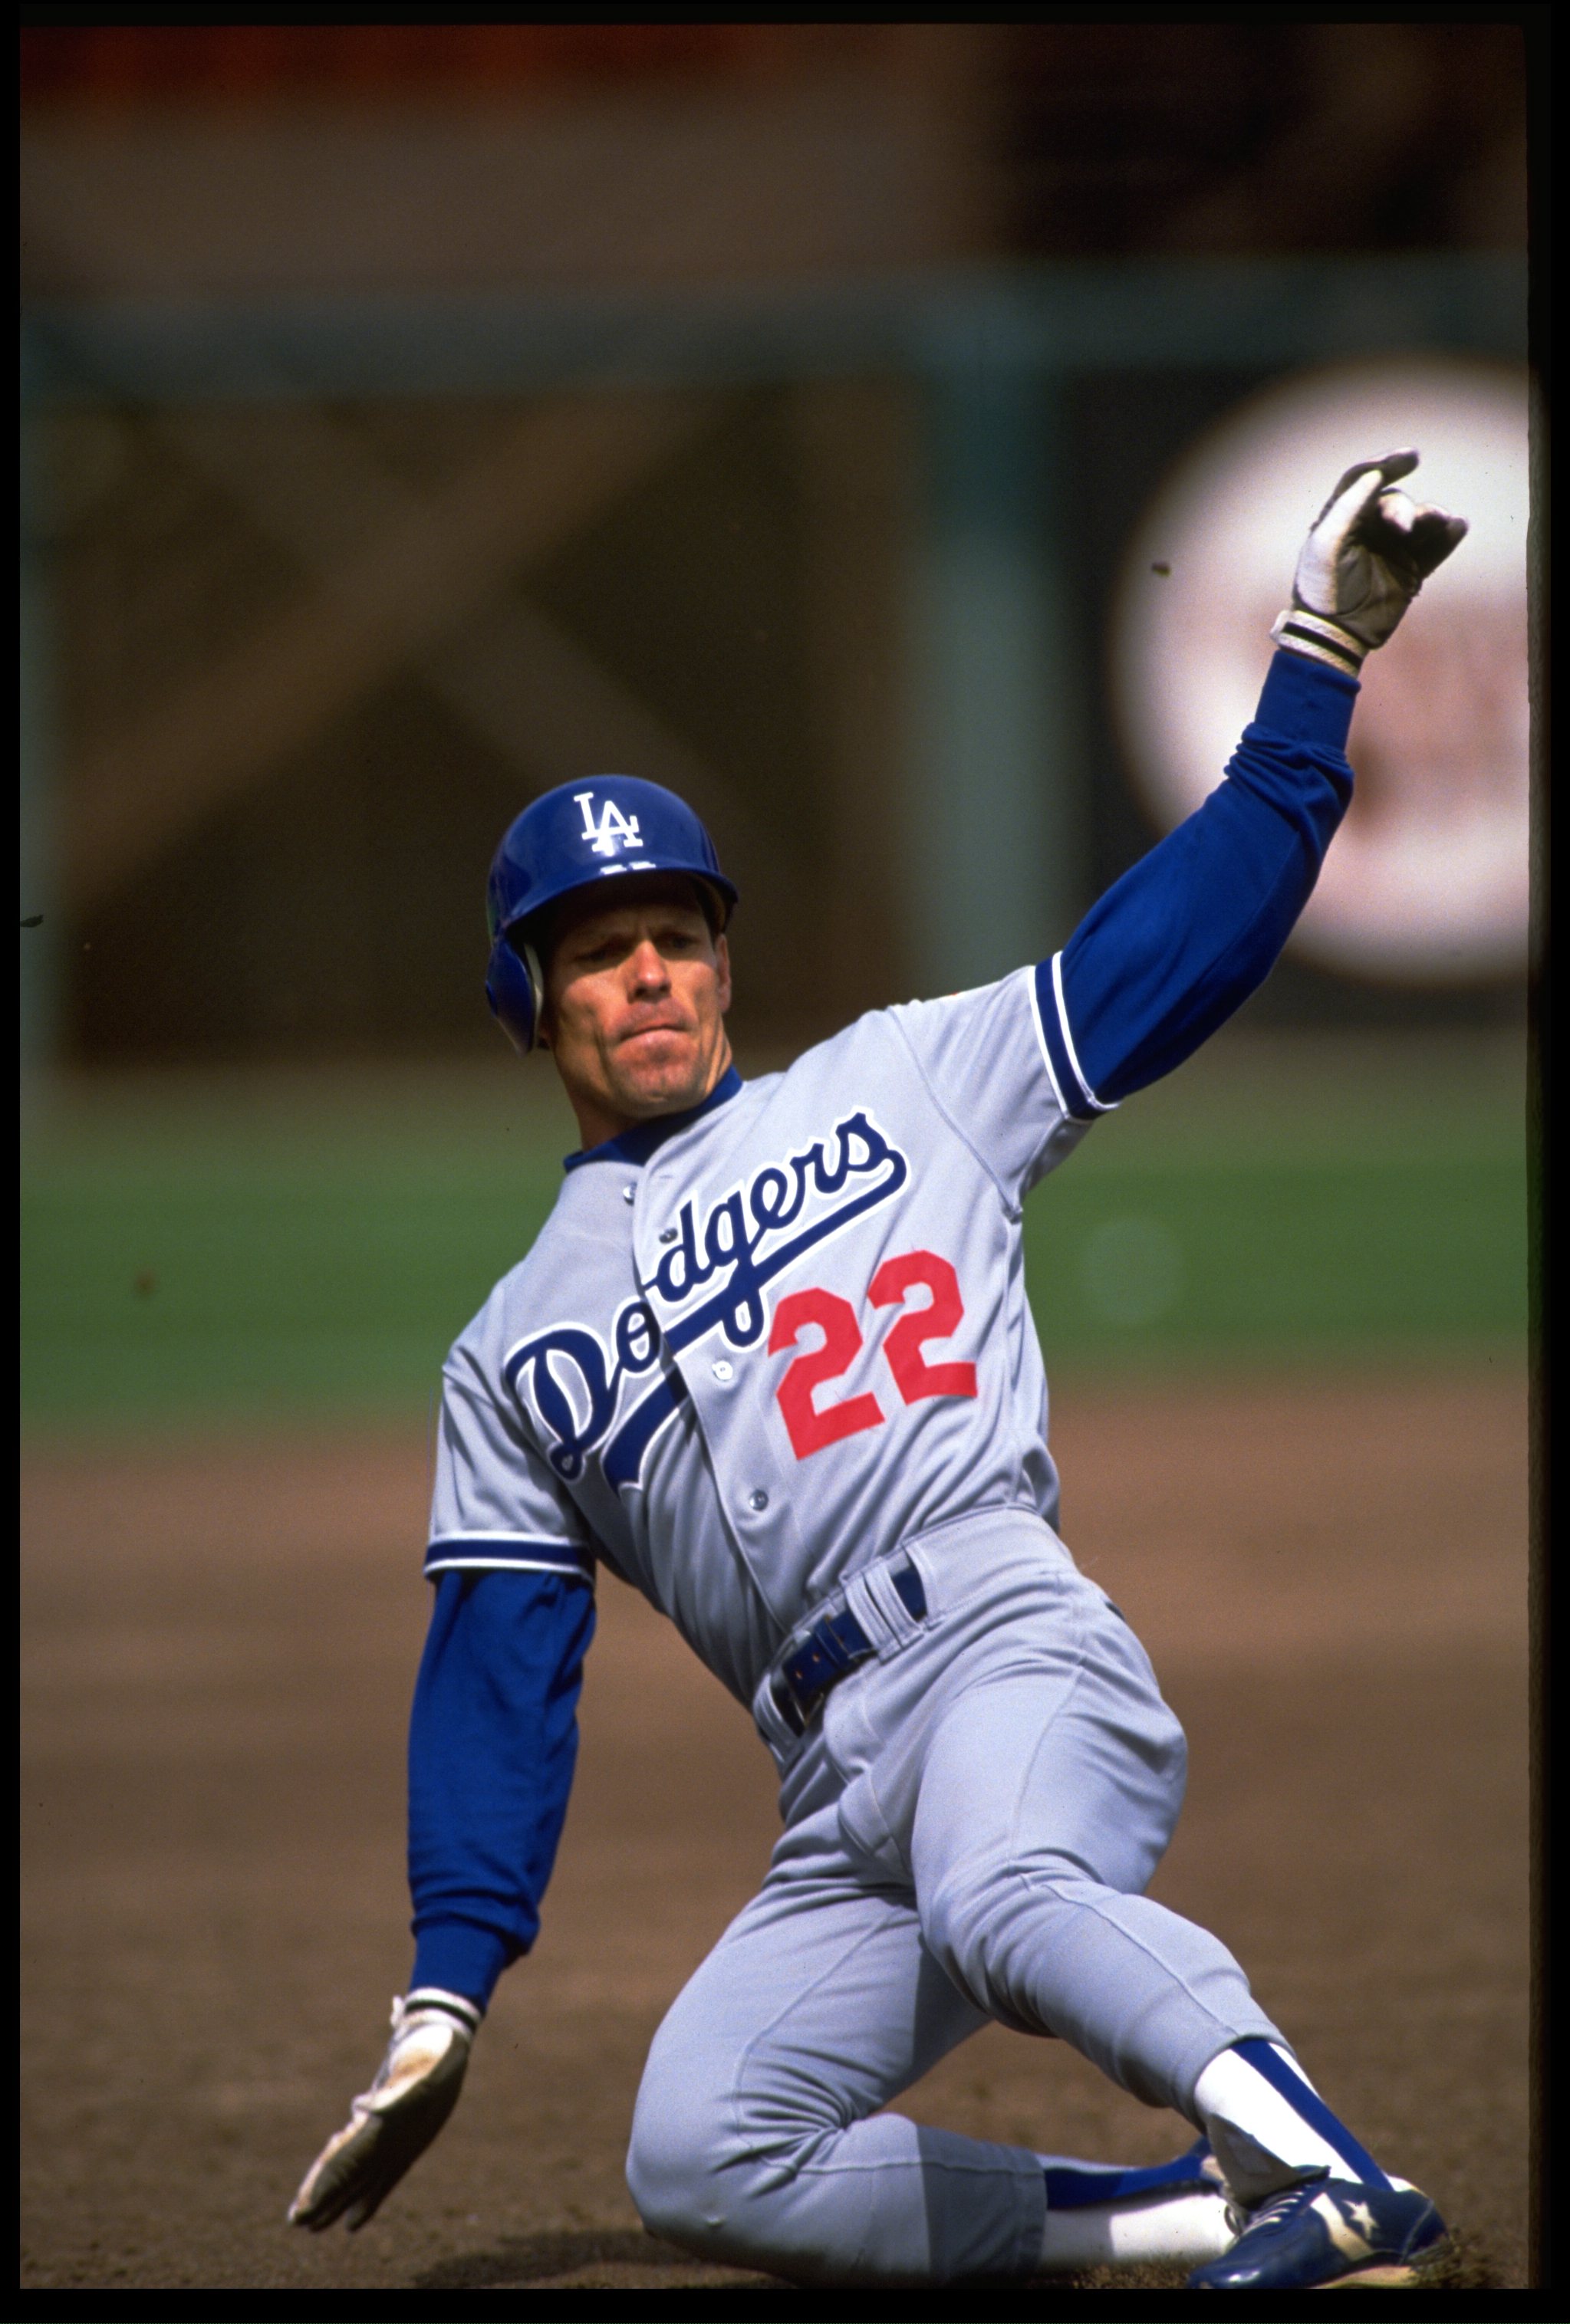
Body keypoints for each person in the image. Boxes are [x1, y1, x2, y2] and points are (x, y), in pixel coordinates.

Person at [290, 453, 1466, 2289]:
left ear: (726, 959)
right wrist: (447, 1984)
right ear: (534, 1003)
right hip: (836, 1786)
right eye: (601, 955)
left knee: (1007, 1887)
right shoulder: (511, 1350)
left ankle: (1334, 2178)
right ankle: (1184, 2214)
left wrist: (1316, 660)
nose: (653, 974)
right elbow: (499, 1675)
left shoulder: (905, 1079)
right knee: (704, 2146)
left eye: (679, 935)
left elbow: (1168, 942)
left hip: (1005, 1645)